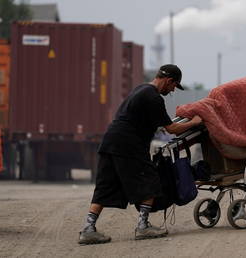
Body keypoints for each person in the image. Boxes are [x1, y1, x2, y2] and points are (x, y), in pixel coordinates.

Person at [78, 64, 202, 245]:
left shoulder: (141, 89)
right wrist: (195, 122)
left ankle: (88, 229)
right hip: (129, 144)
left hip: (111, 141)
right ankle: (143, 226)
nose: (173, 89)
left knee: (106, 184)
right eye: (174, 85)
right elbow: (172, 129)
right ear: (169, 81)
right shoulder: (154, 98)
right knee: (150, 180)